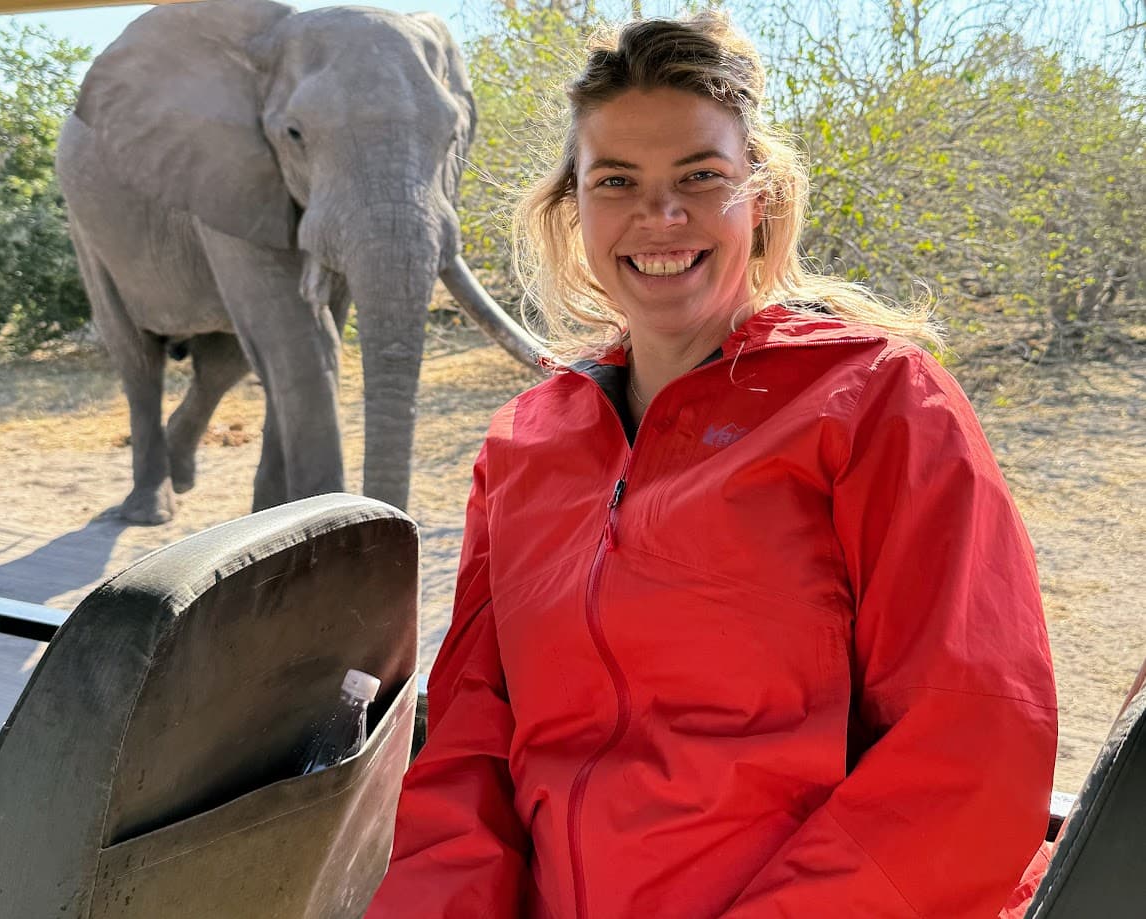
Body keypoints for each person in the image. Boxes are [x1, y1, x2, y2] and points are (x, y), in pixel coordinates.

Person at [366, 11, 1058, 918]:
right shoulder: (524, 443)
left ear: (758, 198)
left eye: (700, 176)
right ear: (575, 209)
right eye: (617, 180)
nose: (660, 215)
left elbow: (971, 741)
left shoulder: (876, 401)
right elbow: (470, 745)